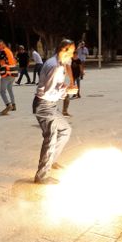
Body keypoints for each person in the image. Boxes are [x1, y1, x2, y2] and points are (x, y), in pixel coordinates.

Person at [33, 39, 78, 184]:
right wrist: (67, 91)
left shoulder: (59, 63)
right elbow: (48, 92)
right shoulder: (55, 66)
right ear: (64, 50)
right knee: (50, 139)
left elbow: (54, 87)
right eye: (71, 52)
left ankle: (51, 161)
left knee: (65, 130)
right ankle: (41, 176)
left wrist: (65, 87)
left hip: (50, 105)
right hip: (45, 106)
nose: (72, 55)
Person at [0, 40, 17, 114]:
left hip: (7, 73)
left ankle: (8, 105)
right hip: (13, 73)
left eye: (0, 45)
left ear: (3, 44)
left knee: (2, 91)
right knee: (10, 89)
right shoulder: (9, 51)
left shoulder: (3, 52)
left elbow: (1, 63)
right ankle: (13, 105)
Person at [62, 51, 82, 117]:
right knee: (65, 95)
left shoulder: (74, 60)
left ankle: (77, 93)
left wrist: (81, 73)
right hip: (64, 78)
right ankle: (64, 111)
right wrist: (71, 79)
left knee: (76, 85)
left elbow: (79, 67)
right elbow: (69, 68)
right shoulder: (69, 59)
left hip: (73, 75)